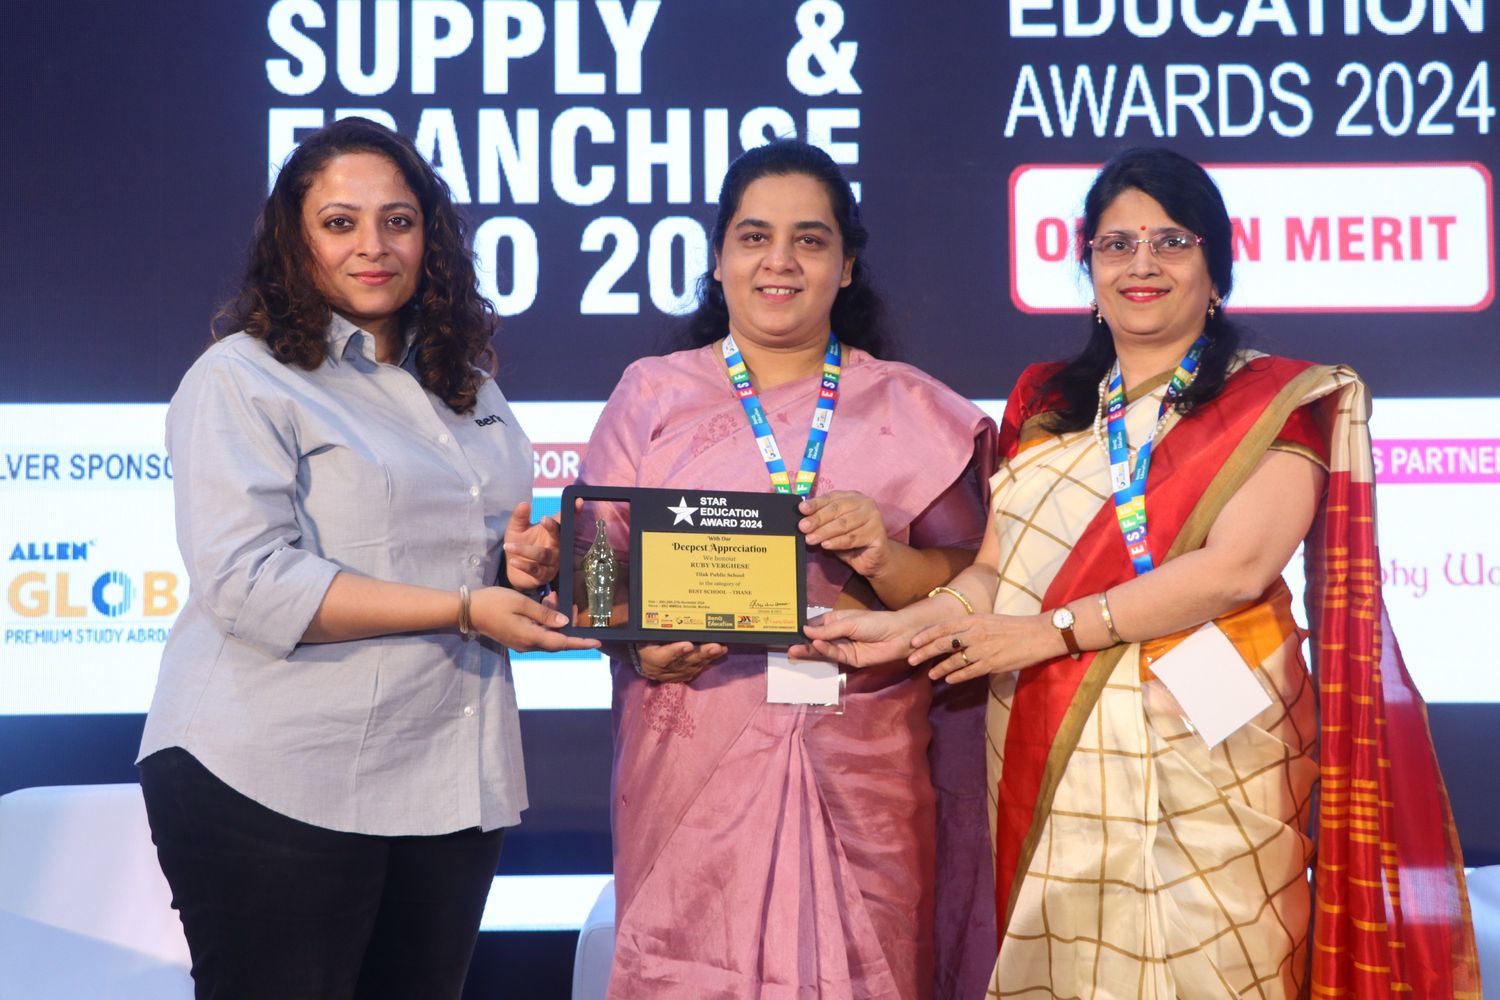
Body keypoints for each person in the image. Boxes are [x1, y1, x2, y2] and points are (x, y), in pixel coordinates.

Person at [803, 147, 1481, 997]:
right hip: (1053, 733)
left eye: (1171, 242)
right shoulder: (1046, 403)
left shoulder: (1273, 401)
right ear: (1089, 271)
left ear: (1216, 269)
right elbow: (995, 575)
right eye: (1116, 245)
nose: (1142, 264)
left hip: (1217, 739)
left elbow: (1236, 570)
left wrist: (1049, 633)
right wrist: (907, 626)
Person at [136, 117, 598, 999]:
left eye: (398, 221)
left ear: (431, 236)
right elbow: (248, 582)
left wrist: (518, 570)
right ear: (293, 240)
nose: (373, 246)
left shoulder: (468, 385)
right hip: (276, 776)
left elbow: (466, 558)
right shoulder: (242, 377)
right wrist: (462, 608)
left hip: (448, 780)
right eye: (340, 223)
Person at [575, 139, 998, 999]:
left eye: (810, 239)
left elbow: (978, 578)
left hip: (864, 761)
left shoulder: (914, 407)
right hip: (693, 756)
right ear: (718, 259)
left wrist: (886, 554)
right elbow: (596, 571)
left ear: (847, 266)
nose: (780, 261)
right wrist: (637, 646)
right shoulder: (652, 395)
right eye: (754, 237)